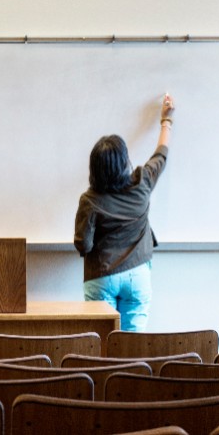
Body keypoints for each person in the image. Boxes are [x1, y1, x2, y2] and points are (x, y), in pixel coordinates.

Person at [74, 94, 174, 332]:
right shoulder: (142, 182)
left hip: (101, 276)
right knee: (132, 348)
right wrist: (166, 121)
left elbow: (83, 245)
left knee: (103, 346)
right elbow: (160, 155)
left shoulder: (89, 200)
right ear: (124, 162)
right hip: (137, 275)